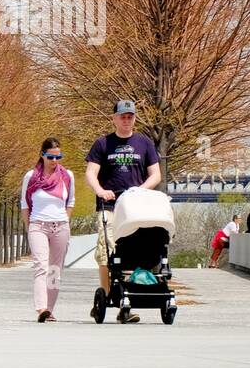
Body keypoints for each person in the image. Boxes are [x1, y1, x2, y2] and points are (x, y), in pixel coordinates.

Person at [85, 99, 162, 324]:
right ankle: (108, 294)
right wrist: (101, 190)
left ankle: (127, 300)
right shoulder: (102, 144)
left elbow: (155, 175)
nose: (126, 120)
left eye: (130, 116)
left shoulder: (145, 143)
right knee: (106, 249)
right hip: (109, 206)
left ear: (134, 118)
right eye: (122, 116)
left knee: (134, 250)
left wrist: (140, 190)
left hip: (135, 207)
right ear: (115, 118)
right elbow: (90, 173)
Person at [21, 137, 74, 322]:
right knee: (41, 266)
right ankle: (41, 308)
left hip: (60, 226)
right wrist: (30, 227)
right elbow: (24, 204)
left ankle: (50, 309)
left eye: (58, 157)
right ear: (42, 155)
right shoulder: (31, 176)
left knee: (54, 270)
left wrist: (65, 220)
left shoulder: (67, 176)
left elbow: (70, 202)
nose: (54, 161)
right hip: (38, 225)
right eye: (50, 157)